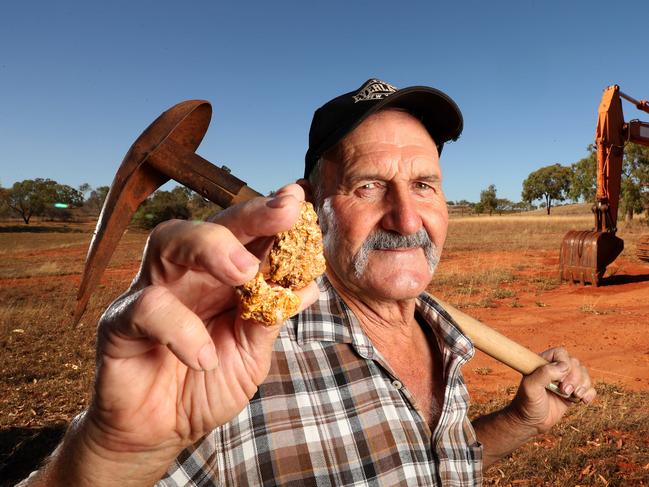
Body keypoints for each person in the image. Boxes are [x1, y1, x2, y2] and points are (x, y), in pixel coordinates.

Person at [20, 79, 596, 486]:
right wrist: (109, 457)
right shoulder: (233, 365)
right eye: (368, 186)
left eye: (424, 184)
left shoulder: (439, 333)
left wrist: (520, 421)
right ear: (311, 201)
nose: (405, 217)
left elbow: (429, 465)